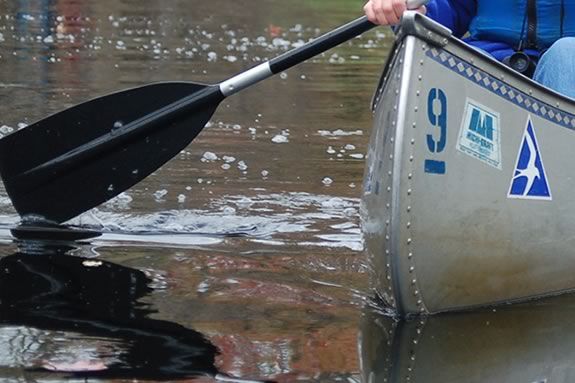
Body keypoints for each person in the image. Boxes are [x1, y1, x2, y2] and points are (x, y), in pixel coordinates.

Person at [363, 0, 575, 99]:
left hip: (565, 69)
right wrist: (413, 11)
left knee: (567, 53)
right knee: (466, 63)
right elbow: (449, 13)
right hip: (493, 59)